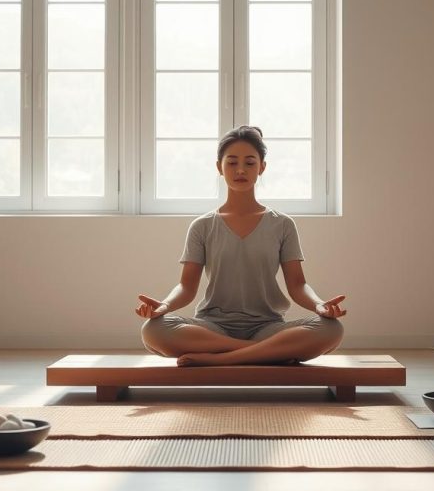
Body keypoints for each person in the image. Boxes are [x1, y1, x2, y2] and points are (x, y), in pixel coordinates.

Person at [135, 125, 346, 367]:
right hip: (212, 328)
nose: (241, 170)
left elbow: (297, 285)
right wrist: (164, 305)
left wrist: (320, 305)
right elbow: (186, 286)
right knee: (153, 330)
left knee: (331, 329)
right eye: (232, 162)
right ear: (219, 167)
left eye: (250, 162)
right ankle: (265, 353)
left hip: (267, 327)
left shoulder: (283, 224)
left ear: (262, 167)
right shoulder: (202, 226)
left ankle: (218, 360)